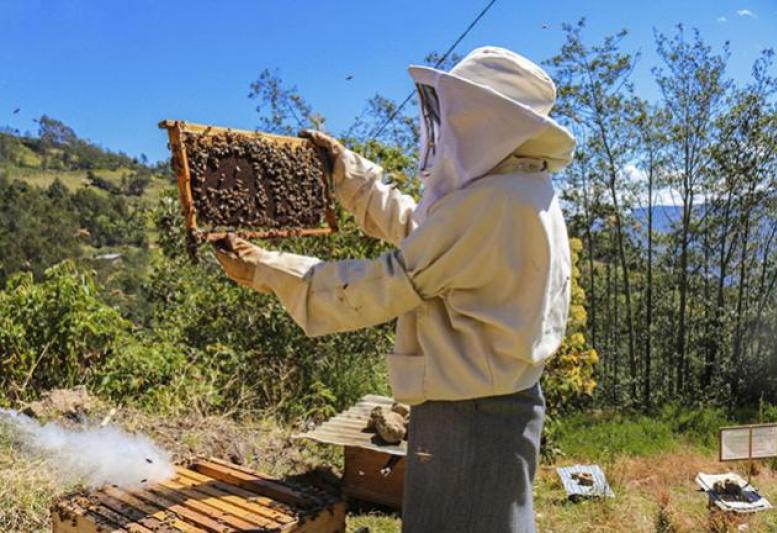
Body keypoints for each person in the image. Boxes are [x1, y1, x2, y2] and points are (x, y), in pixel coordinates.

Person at [213, 46, 575, 533]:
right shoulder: (521, 191)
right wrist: (351, 177)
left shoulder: (493, 204)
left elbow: (387, 284)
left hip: (469, 416)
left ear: (483, 121)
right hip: (494, 406)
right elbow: (424, 233)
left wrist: (267, 269)